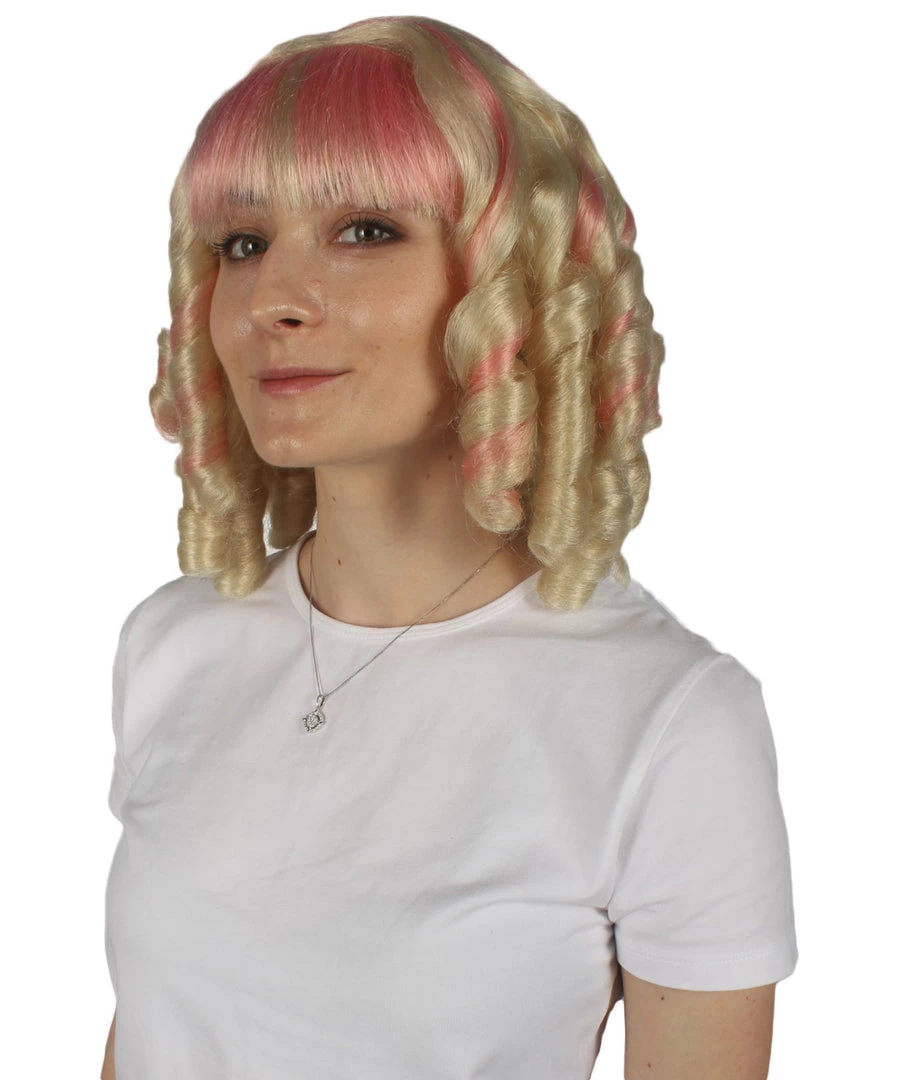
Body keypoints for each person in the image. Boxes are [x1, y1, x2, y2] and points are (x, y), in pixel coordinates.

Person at [101, 15, 798, 1079]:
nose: (273, 298)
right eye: (242, 244)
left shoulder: (664, 720)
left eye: (365, 229)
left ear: (512, 285)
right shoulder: (173, 643)